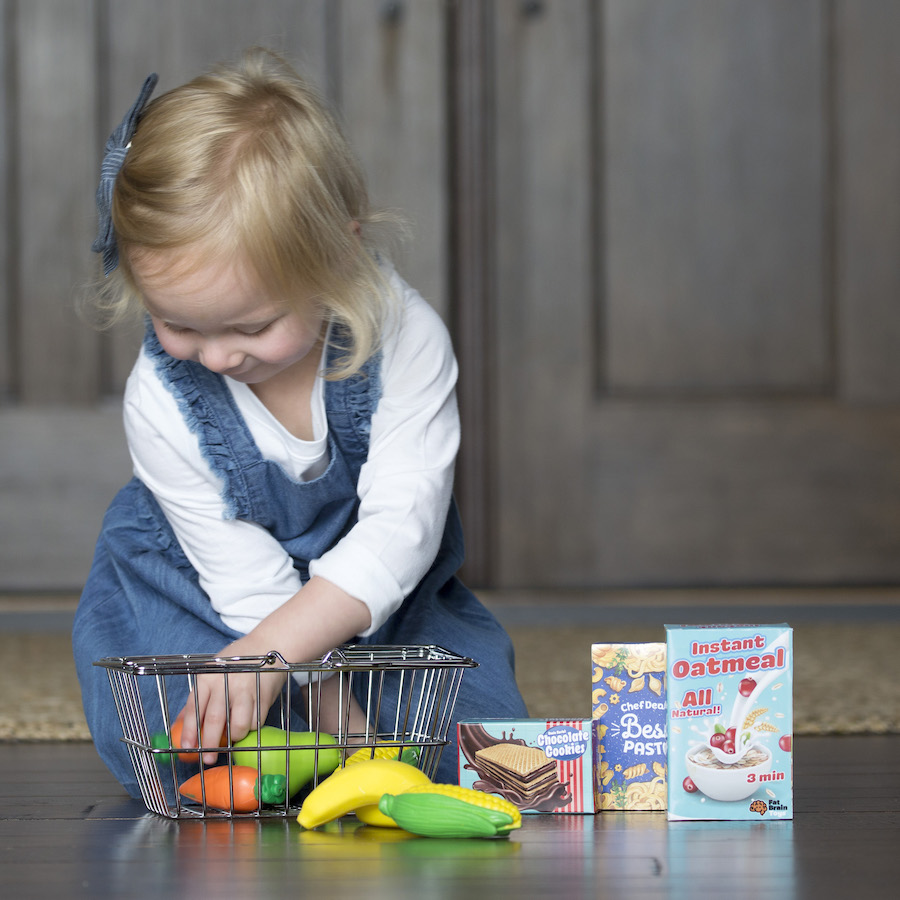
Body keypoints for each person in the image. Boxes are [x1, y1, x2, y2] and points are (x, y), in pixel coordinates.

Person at [73, 48, 528, 799]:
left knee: (486, 748)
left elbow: (401, 529)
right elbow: (243, 581)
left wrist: (323, 695)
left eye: (251, 326)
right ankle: (282, 761)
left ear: (337, 257)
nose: (215, 356)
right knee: (164, 733)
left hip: (381, 600)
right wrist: (332, 713)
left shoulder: (406, 339)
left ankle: (299, 759)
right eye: (176, 323)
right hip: (211, 597)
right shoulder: (159, 396)